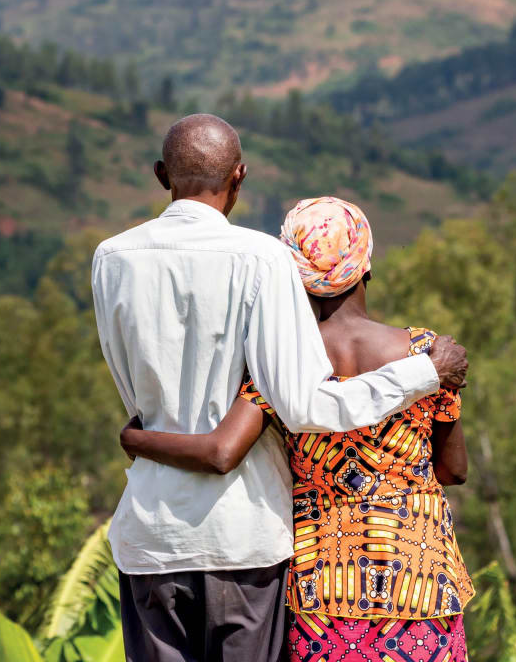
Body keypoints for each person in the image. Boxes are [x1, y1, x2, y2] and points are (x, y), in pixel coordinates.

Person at [90, 114, 470, 662]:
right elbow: (306, 405)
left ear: (160, 174)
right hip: (259, 543)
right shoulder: (261, 264)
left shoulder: (110, 258)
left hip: (158, 535)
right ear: (238, 177)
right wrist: (424, 372)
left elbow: (130, 375)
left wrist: (140, 439)